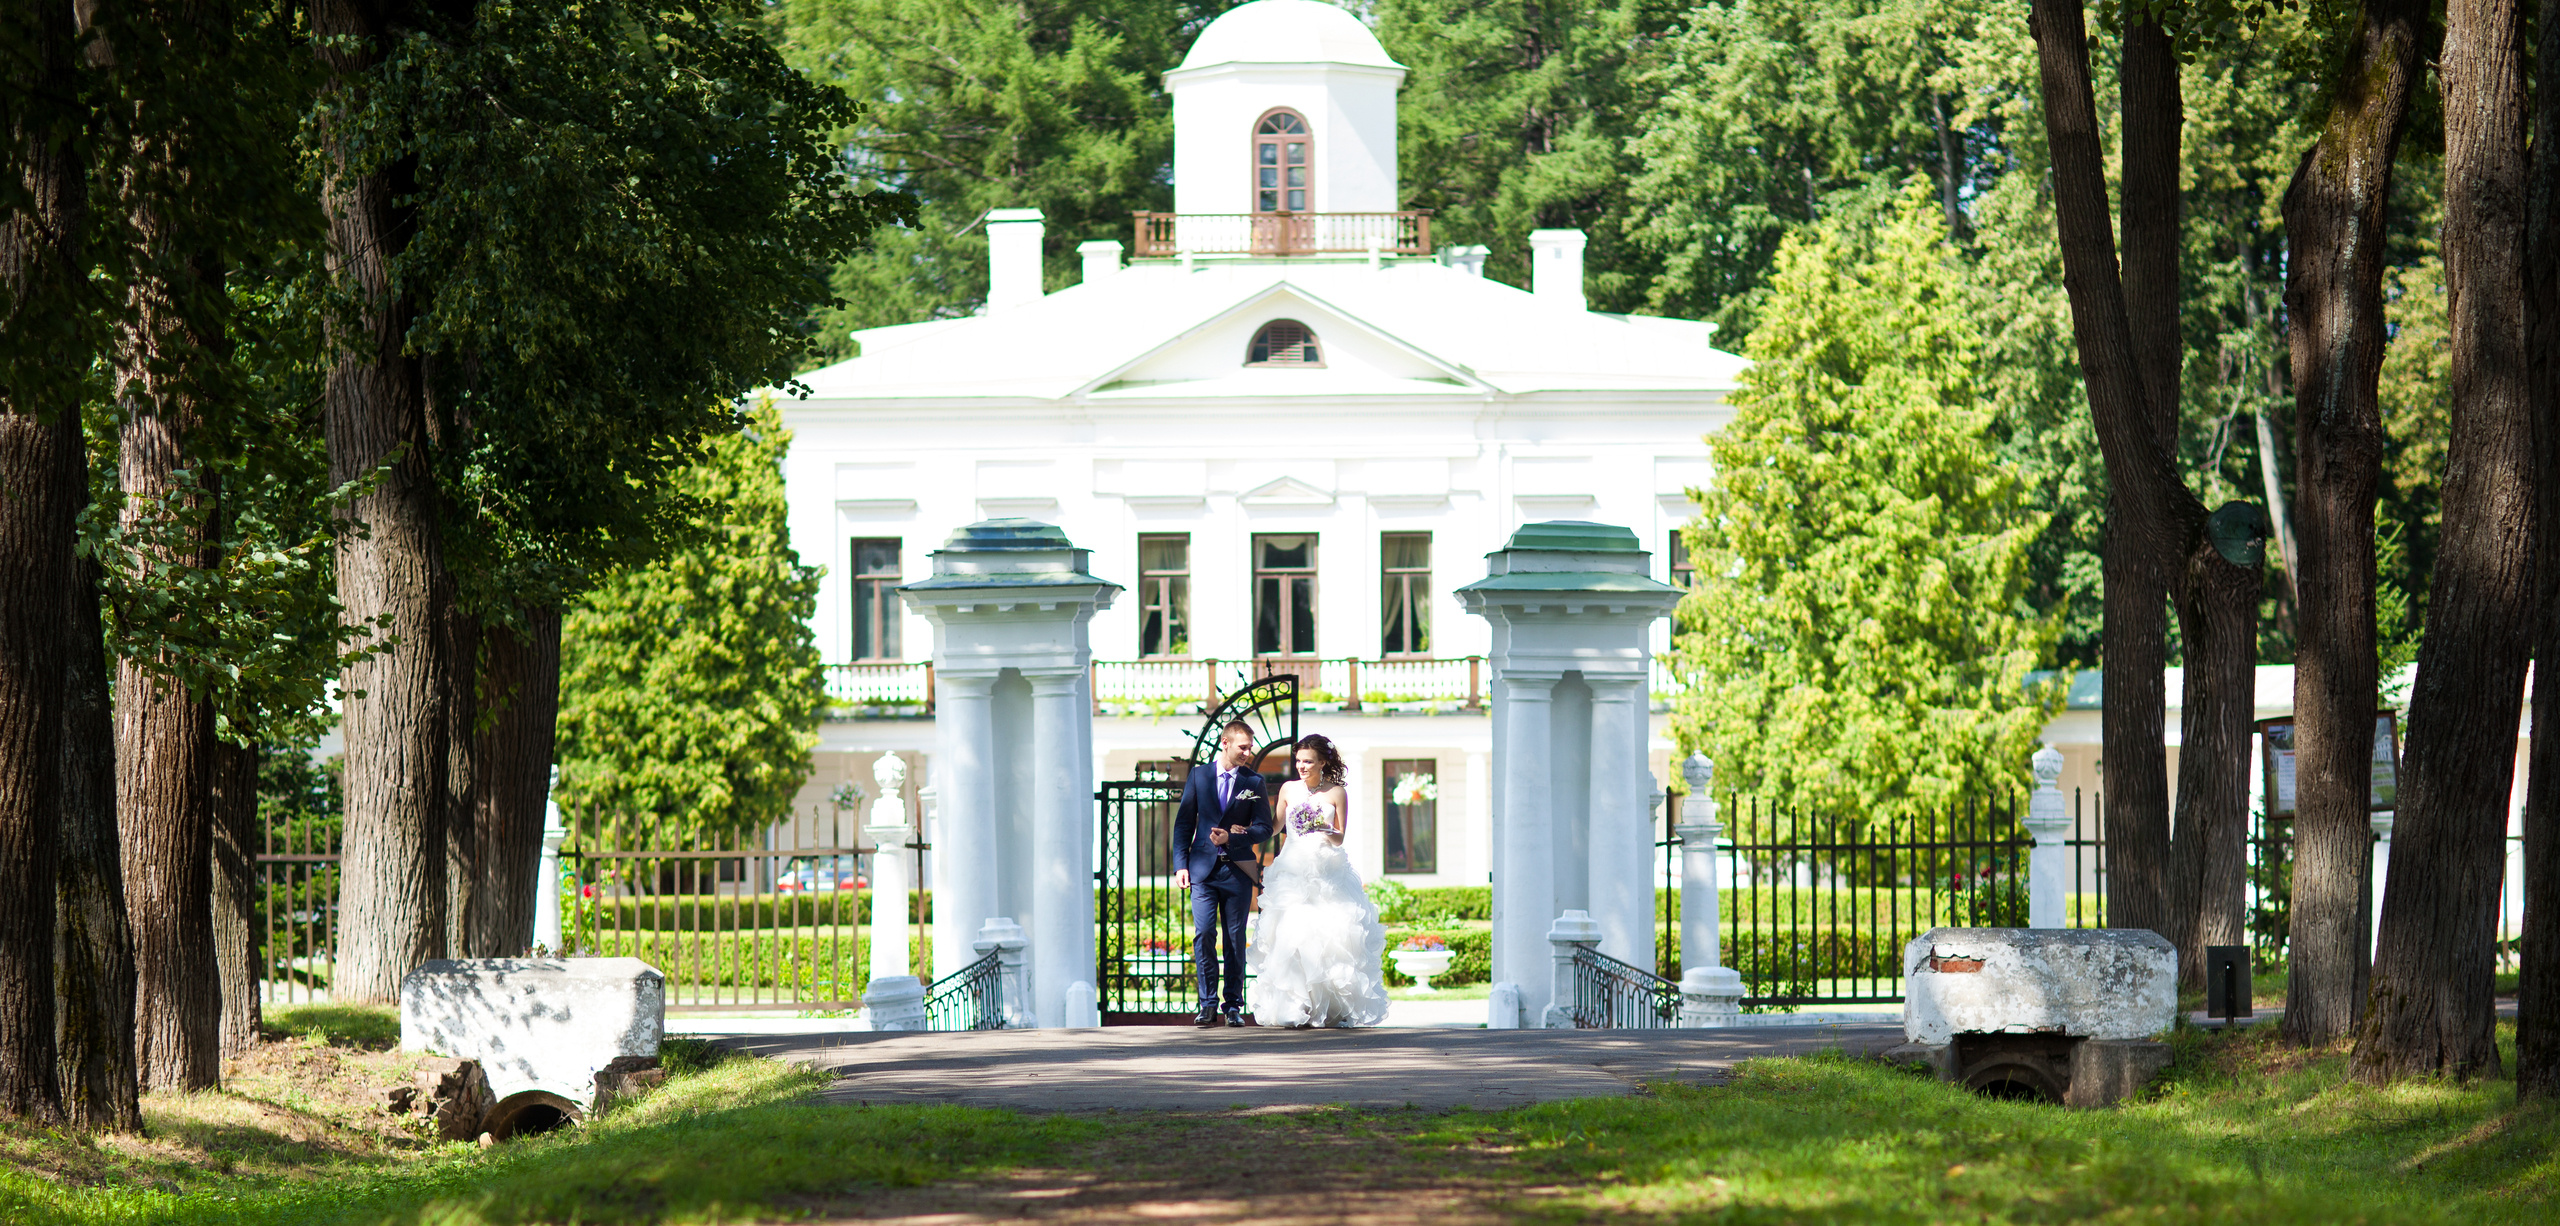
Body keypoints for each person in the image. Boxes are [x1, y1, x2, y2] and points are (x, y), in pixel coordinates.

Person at [1248, 733, 1389, 1028]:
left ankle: (1332, 1007)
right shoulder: (1288, 789)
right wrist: (1247, 831)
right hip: (1292, 869)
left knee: (1330, 936)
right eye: (1298, 761)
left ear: (1322, 762)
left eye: (1308, 761)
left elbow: (1339, 838)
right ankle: (1295, 1005)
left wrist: (1324, 828)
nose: (1301, 766)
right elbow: (1275, 827)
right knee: (1291, 934)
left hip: (1326, 869)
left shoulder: (1337, 792)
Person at [1173, 720, 1272, 1028]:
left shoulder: (1253, 781)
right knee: (1203, 935)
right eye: (1243, 747)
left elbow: (1264, 827)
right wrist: (1181, 865)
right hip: (1202, 870)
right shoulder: (1199, 776)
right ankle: (1207, 1005)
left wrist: (1233, 837)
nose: (1248, 752)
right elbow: (1184, 824)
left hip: (1237, 872)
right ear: (1225, 743)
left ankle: (1232, 1006)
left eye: (1250, 747)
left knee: (1233, 938)